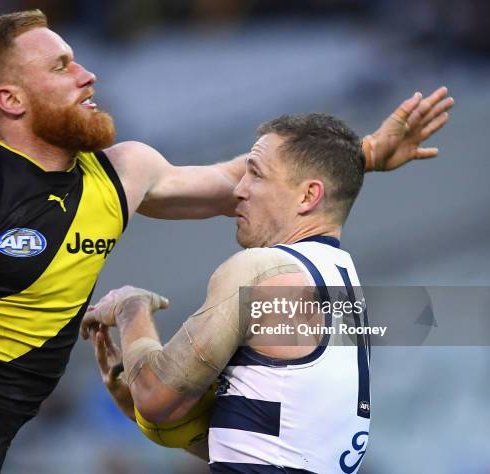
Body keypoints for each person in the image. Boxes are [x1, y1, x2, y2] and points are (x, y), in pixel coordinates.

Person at [0, 8, 452, 473]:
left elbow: (251, 181)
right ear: (11, 100)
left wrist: (366, 155)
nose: (87, 76)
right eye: (61, 67)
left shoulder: (123, 172)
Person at [82, 112, 438, 473]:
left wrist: (131, 309)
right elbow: (270, 448)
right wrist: (146, 412)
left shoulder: (261, 271)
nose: (238, 190)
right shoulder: (344, 289)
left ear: (308, 195)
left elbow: (157, 396)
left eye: (256, 173)